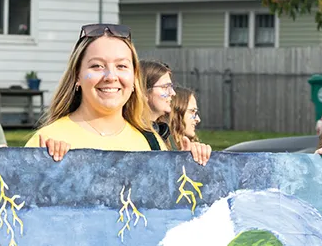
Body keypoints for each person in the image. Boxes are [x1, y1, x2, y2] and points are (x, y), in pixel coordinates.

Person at [26, 24, 210, 165]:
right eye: (97, 66)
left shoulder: (152, 142)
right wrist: (43, 169)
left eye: (121, 66)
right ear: (77, 77)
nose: (111, 76)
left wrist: (191, 165)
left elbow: (168, 209)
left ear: (134, 79)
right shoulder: (48, 141)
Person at [142, 59, 176, 146]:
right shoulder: (134, 138)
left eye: (171, 87)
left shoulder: (161, 133)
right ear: (144, 92)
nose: (173, 93)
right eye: (165, 87)